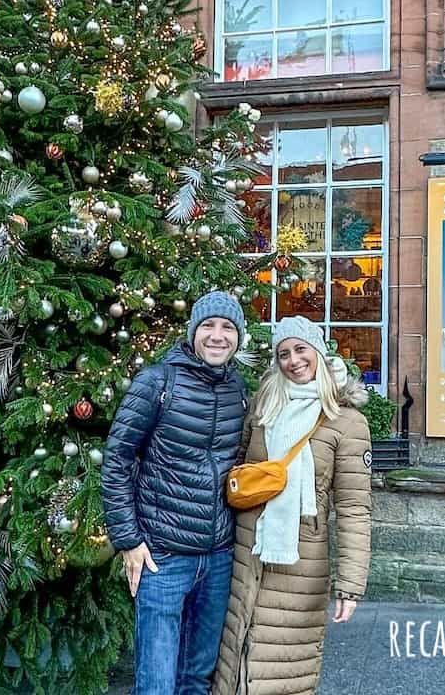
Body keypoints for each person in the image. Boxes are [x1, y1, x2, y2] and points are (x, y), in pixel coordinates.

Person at [212, 315, 372, 695]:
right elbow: (237, 468)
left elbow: (353, 508)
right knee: (235, 651)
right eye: (283, 353)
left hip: (301, 561)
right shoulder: (264, 408)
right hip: (248, 551)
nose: (293, 360)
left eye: (301, 349)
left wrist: (351, 585)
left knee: (285, 666)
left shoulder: (346, 422)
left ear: (317, 352)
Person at [101, 290, 249, 695]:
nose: (217, 336)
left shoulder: (238, 388)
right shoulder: (156, 382)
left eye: (227, 328)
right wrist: (129, 541)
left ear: (238, 337)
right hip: (163, 556)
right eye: (208, 326)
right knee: (157, 683)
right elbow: (116, 461)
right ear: (193, 333)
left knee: (197, 679)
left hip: (218, 555)